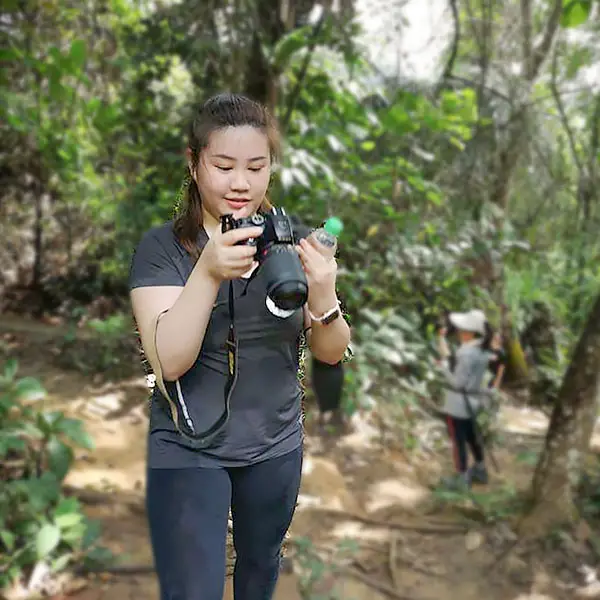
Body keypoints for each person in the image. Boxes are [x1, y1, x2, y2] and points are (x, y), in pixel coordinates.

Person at [128, 93, 351, 600]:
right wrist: (207, 270)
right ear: (194, 163)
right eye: (223, 165)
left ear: (272, 166)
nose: (240, 182)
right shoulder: (163, 249)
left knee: (259, 572)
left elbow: (332, 351)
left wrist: (324, 293)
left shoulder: (289, 242)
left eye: (256, 166)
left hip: (275, 446)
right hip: (187, 444)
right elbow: (169, 362)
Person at [437, 309, 493, 489]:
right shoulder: (483, 351)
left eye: (462, 329)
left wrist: (444, 368)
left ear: (470, 333)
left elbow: (458, 383)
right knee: (472, 436)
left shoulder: (466, 354)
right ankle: (480, 468)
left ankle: (461, 477)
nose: (459, 332)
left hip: (458, 403)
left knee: (458, 440)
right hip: (473, 401)